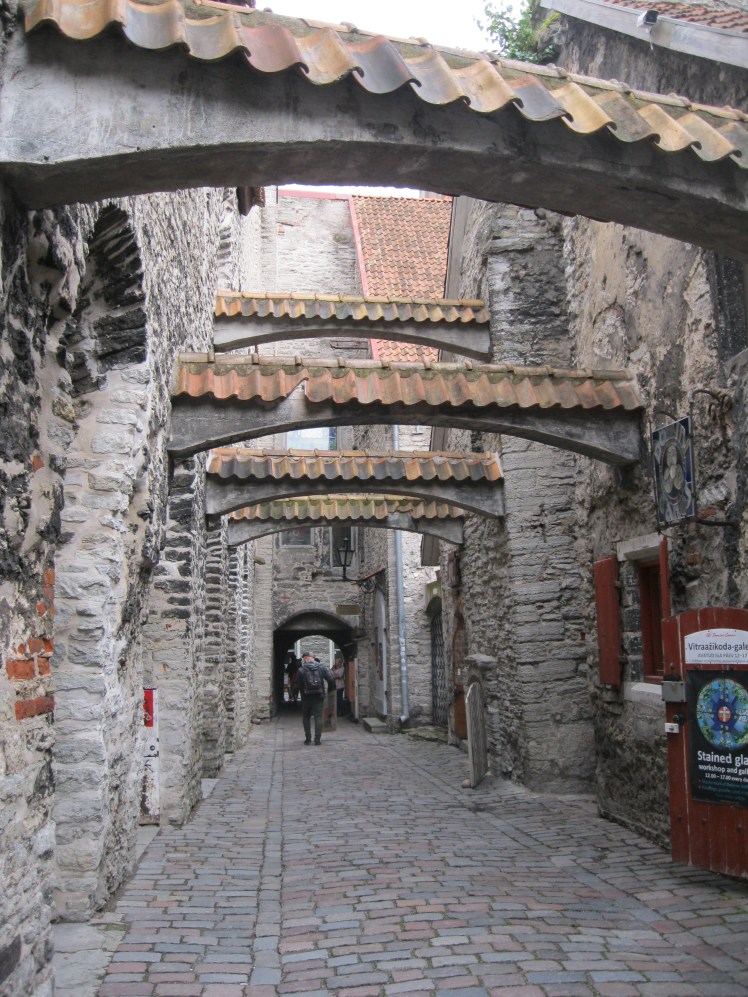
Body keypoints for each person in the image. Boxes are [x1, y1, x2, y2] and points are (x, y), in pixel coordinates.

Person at [297, 650, 334, 745]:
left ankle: (308, 739)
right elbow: (330, 679)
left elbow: (298, 685)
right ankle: (317, 740)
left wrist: (296, 695)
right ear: (313, 658)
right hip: (319, 695)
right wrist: (330, 691)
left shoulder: (301, 670)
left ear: (305, 658)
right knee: (318, 717)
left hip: (306, 697)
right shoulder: (321, 667)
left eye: (303, 659)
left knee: (306, 717)